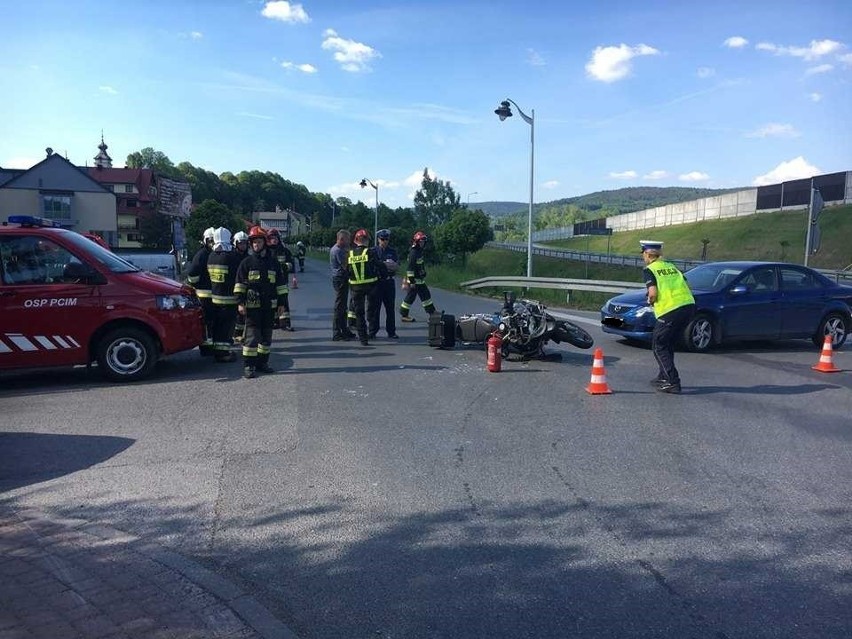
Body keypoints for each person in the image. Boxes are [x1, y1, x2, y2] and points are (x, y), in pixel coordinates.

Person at [641, 240, 696, 394]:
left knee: (658, 345)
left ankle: (672, 381)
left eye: (643, 254)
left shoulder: (650, 269)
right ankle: (663, 376)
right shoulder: (671, 267)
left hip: (670, 310)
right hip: (688, 306)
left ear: (646, 254)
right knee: (668, 343)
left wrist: (650, 300)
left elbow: (652, 293)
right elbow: (685, 285)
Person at [234, 226, 287, 379]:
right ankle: (249, 366)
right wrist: (240, 302)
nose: (256, 244)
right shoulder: (246, 263)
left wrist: (282, 303)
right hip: (252, 308)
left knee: (266, 337)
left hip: (269, 306)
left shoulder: (273, 263)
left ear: (264, 242)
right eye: (254, 242)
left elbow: (281, 285)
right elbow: (239, 285)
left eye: (259, 241)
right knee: (251, 338)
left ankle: (262, 363)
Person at [206, 227, 241, 363]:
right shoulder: (231, 257)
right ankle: (223, 353)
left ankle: (218, 350)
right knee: (227, 327)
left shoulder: (211, 256)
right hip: (229, 299)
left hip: (215, 298)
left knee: (218, 326)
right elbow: (238, 276)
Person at [346, 228, 386, 346]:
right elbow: (379, 266)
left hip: (355, 288)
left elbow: (346, 270)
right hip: (371, 286)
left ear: (356, 240)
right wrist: (383, 276)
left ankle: (363, 339)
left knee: (359, 314)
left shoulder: (350, 253)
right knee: (372, 311)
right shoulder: (370, 252)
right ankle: (372, 332)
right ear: (367, 240)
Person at [187, 227, 216, 355]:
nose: (213, 244)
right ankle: (206, 347)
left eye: (214, 241)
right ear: (205, 241)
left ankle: (210, 345)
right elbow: (192, 274)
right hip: (204, 295)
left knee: (212, 322)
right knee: (206, 322)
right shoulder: (202, 255)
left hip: (212, 294)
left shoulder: (212, 254)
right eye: (210, 241)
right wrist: (198, 284)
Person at [399, 230, 438, 322]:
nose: (423, 243)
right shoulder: (414, 253)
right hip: (415, 281)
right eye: (421, 241)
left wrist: (423, 272)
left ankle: (432, 312)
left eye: (424, 241)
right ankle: (405, 314)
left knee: (424, 295)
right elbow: (410, 268)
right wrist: (412, 282)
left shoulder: (418, 251)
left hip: (419, 280)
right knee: (413, 297)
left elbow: (419, 265)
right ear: (417, 242)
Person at [369, 229, 399, 339]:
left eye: (386, 239)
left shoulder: (392, 251)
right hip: (377, 282)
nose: (385, 241)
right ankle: (372, 331)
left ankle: (391, 332)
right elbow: (372, 265)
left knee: (390, 308)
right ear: (378, 240)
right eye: (382, 239)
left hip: (389, 281)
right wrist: (385, 264)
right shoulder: (373, 251)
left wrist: (385, 265)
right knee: (375, 309)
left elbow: (396, 266)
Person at [264, 228, 294, 331]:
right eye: (271, 238)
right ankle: (274, 322)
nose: (274, 240)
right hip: (270, 282)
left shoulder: (284, 251)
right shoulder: (266, 251)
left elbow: (291, 265)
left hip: (282, 281)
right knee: (272, 302)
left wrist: (282, 267)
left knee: (284, 301)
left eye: (275, 238)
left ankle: (285, 323)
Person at [330, 229, 355, 341]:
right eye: (348, 239)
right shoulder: (338, 251)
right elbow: (346, 265)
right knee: (339, 307)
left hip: (340, 278)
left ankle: (344, 330)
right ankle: (337, 332)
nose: (349, 242)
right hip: (340, 279)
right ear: (341, 239)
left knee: (343, 306)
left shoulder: (339, 249)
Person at [231, 231, 249, 343]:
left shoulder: (248, 258)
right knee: (235, 313)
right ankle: (235, 334)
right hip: (234, 288)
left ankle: (240, 334)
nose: (243, 246)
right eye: (240, 243)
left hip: (246, 288)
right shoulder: (232, 257)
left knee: (243, 314)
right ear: (235, 244)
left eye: (244, 243)